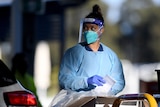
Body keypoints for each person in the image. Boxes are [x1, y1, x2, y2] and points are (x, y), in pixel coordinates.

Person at [58, 4, 125, 96]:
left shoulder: (111, 56)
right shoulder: (73, 53)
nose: (88, 31)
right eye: (86, 28)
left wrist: (106, 93)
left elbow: (119, 82)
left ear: (101, 30)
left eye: (93, 28)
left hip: (103, 102)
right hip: (78, 102)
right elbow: (64, 80)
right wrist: (86, 81)